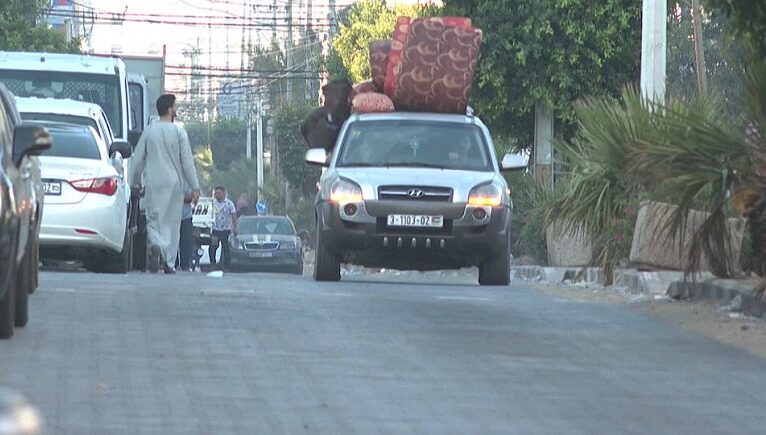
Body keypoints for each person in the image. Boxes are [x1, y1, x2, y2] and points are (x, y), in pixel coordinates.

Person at [130, 94, 200, 274]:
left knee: (154, 218)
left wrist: (135, 182)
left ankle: (155, 245)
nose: (176, 109)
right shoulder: (179, 132)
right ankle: (168, 262)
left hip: (154, 181)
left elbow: (137, 160)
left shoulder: (149, 131)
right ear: (170, 109)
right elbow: (187, 162)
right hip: (174, 184)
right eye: (175, 106)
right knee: (172, 223)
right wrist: (195, 187)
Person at [209, 186, 237, 272]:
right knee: (213, 247)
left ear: (224, 193)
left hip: (225, 230)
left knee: (225, 248)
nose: (217, 195)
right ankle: (213, 264)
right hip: (215, 230)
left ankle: (226, 266)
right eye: (216, 193)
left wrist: (234, 227)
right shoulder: (212, 203)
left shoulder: (229, 203)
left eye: (219, 193)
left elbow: (233, 215)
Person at [178, 188, 195, 272]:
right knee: (172, 241)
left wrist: (176, 196)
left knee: (185, 241)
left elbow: (190, 198)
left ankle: (185, 265)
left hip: (185, 217)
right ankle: (172, 263)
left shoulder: (187, 183)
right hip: (171, 217)